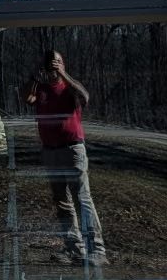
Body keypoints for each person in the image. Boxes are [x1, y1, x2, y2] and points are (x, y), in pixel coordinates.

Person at [25, 50, 106, 268]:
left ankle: (97, 250)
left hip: (72, 150)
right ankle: (75, 250)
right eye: (51, 63)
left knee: (82, 199)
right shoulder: (41, 89)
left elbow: (85, 97)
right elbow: (28, 98)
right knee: (62, 203)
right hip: (50, 150)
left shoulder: (70, 87)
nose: (54, 66)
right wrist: (34, 78)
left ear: (63, 64)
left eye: (58, 62)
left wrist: (64, 74)